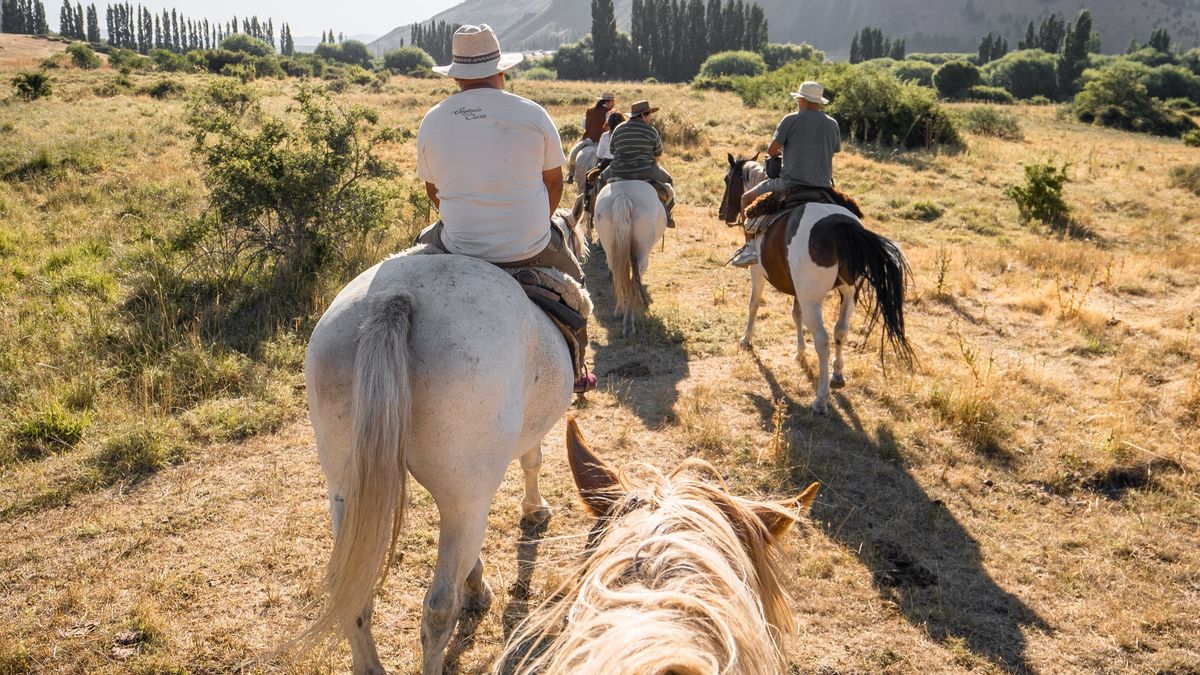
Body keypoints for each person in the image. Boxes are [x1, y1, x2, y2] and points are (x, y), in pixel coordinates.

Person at [415, 24, 595, 392]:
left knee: (413, 251)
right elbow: (555, 183)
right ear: (501, 71)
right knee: (576, 285)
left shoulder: (432, 120)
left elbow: (434, 192)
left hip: (459, 245)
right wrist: (531, 224)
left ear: (456, 79)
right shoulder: (533, 113)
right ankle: (578, 366)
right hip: (529, 245)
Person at [729, 81, 841, 267]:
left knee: (745, 198)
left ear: (803, 100)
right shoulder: (832, 124)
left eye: (799, 100)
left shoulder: (791, 120)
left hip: (789, 183)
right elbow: (834, 150)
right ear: (819, 102)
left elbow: (772, 151)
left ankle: (749, 248)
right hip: (824, 186)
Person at [599, 100, 675, 227]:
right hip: (645, 171)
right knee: (669, 180)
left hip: (618, 170)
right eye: (649, 114)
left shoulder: (618, 129)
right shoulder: (651, 131)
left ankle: (598, 215)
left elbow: (613, 151)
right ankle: (668, 215)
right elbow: (657, 155)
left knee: (600, 180)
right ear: (644, 115)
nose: (650, 117)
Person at [565, 92, 615, 183]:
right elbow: (609, 128)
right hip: (600, 141)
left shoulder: (590, 110)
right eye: (613, 102)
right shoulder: (609, 112)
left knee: (573, 154)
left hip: (587, 139)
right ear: (610, 101)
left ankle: (571, 174)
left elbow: (584, 125)